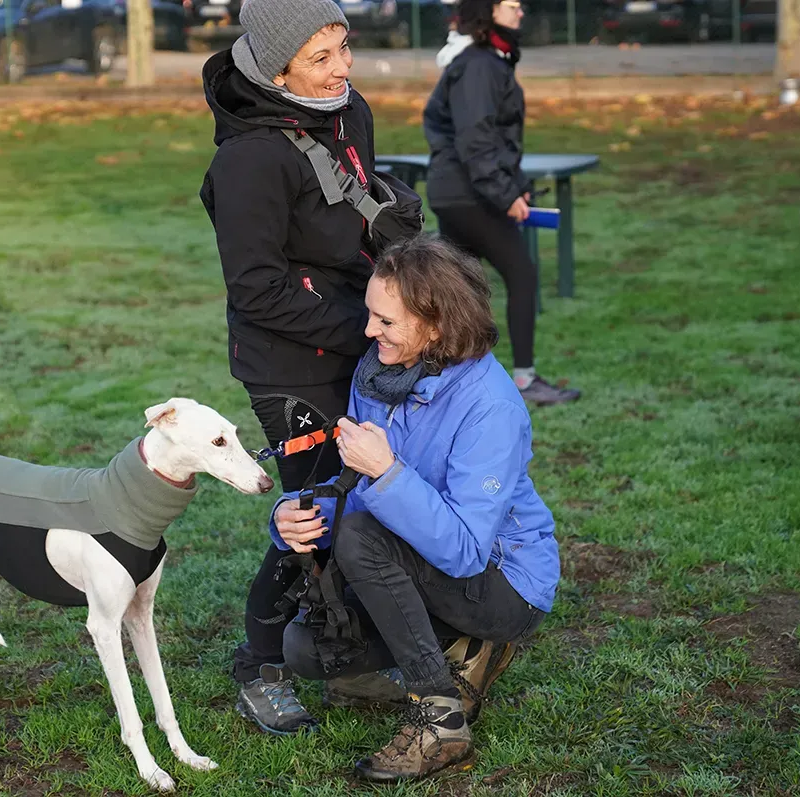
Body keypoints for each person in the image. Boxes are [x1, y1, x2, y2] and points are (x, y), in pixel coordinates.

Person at [273, 234, 560, 781]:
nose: (368, 332)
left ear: (436, 325)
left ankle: (439, 718)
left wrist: (388, 472)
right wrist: (293, 514)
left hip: (504, 584)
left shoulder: (491, 406)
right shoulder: (379, 375)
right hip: (414, 564)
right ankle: (459, 653)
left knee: (360, 537)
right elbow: (352, 488)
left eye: (385, 321)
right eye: (370, 316)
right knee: (307, 648)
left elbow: (466, 552)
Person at [198, 0, 380, 735]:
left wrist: (391, 214)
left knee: (369, 497)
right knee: (312, 513)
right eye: (321, 57)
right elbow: (256, 289)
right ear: (276, 70)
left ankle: (349, 650)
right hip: (288, 360)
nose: (343, 67)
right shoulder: (245, 160)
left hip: (360, 336)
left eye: (344, 46)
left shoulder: (347, 109)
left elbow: (351, 204)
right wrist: (365, 328)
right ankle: (261, 664)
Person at [423, 0, 582, 406]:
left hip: (459, 191)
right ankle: (525, 380)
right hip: (469, 195)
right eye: (512, 5)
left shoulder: (485, 59)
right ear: (489, 11)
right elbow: (475, 140)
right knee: (521, 276)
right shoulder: (478, 64)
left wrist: (519, 186)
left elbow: (493, 139)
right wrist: (504, 193)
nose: (522, 12)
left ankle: (450, 382)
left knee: (461, 290)